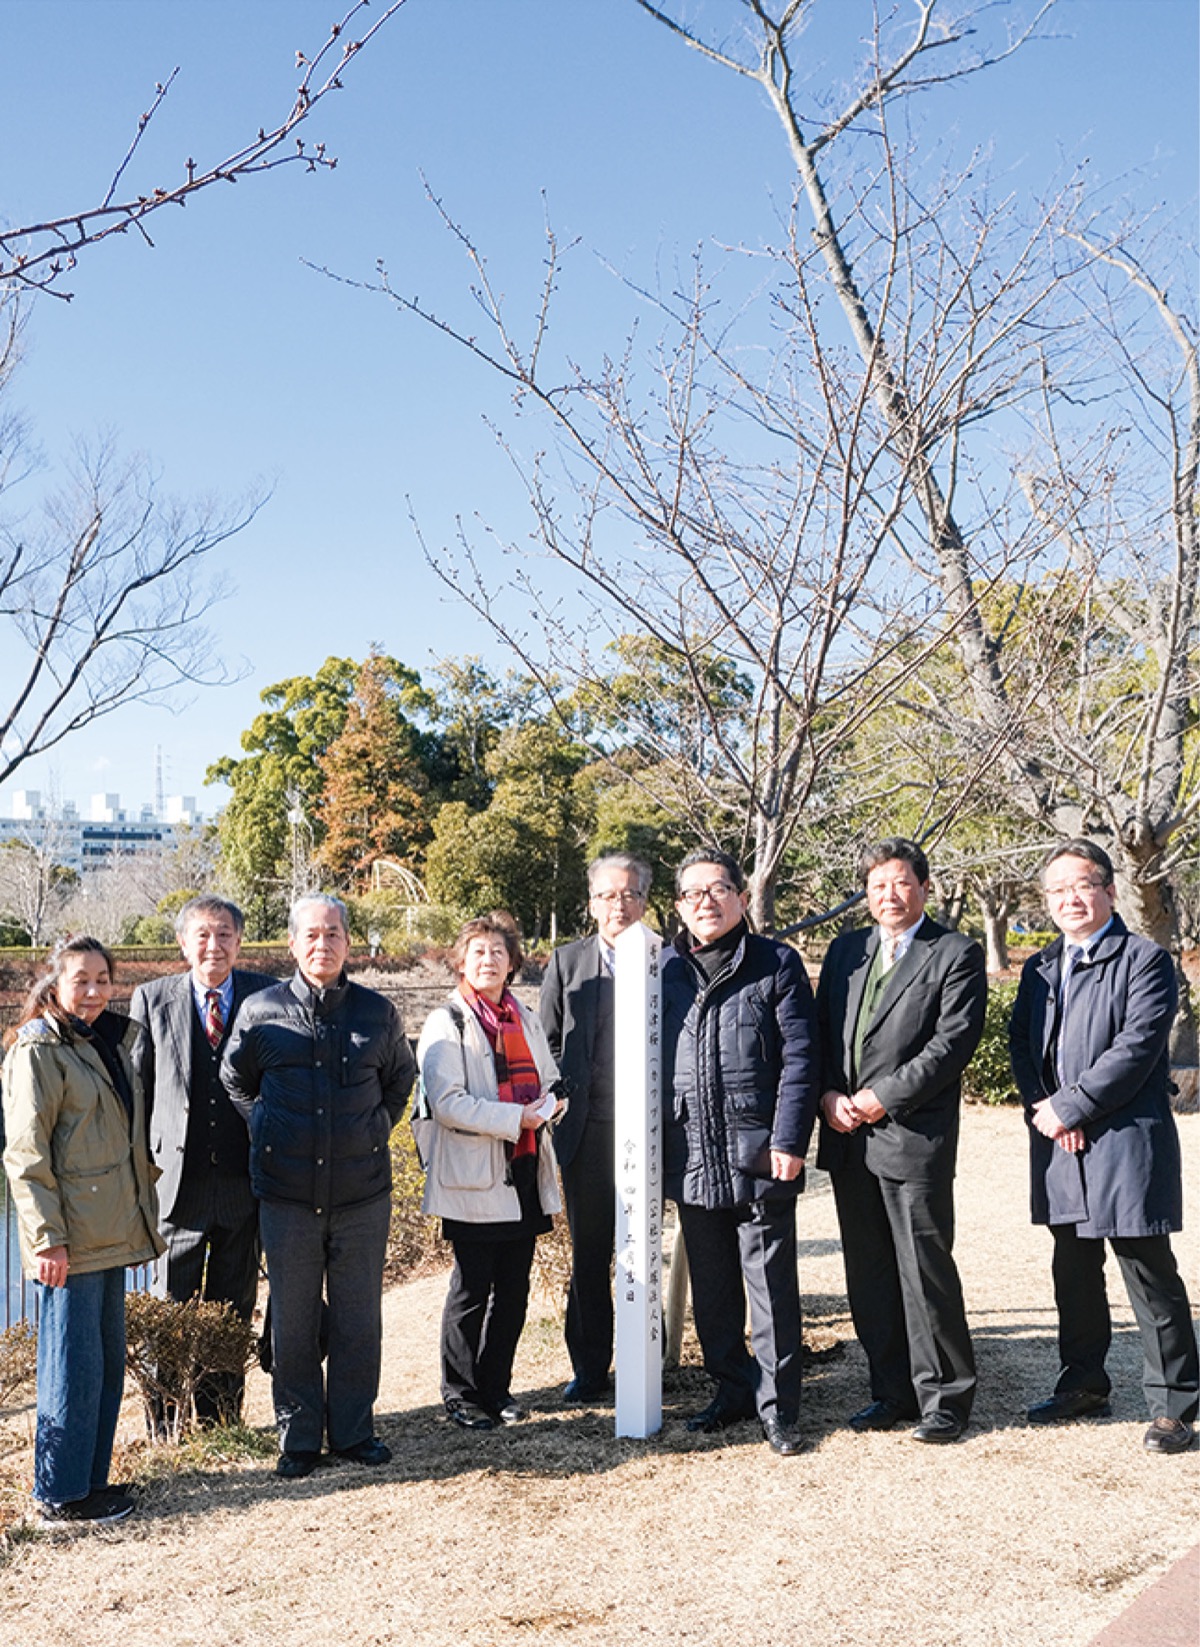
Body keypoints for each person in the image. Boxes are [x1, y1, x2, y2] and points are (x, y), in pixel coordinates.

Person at [1010, 839, 1198, 1454]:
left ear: (1109, 890)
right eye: (1057, 889)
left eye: (1082, 885)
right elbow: (1023, 1047)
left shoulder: (1145, 960)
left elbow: (1137, 1049)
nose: (1070, 898)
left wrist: (1072, 1105)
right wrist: (1049, 1110)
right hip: (1060, 1141)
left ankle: (1175, 1405)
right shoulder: (1040, 967)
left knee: (1147, 1269)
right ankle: (1083, 1383)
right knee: (1073, 1269)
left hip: (1123, 1138)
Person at [223, 894, 415, 1478]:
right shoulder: (261, 1010)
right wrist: (264, 1123)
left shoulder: (376, 1013)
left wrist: (375, 1125)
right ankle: (299, 1437)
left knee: (359, 1318)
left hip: (362, 1194)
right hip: (285, 1195)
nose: (321, 944)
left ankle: (355, 1431)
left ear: (348, 943)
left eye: (333, 934)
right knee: (295, 1321)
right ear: (292, 943)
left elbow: (399, 1080)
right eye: (310, 934)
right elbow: (235, 1078)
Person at [816, 837, 985, 1443]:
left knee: (924, 1269)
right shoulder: (845, 952)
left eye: (902, 882)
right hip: (848, 1138)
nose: (889, 894)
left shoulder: (955, 953)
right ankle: (891, 1391)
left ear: (924, 887)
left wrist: (882, 1096)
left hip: (912, 1135)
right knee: (868, 1272)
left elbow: (951, 1044)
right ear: (866, 893)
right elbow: (820, 1037)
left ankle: (945, 1399)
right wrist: (830, 1095)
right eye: (878, 884)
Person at [2, 937, 163, 1525]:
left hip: (110, 1231)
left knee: (102, 1362)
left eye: (103, 979)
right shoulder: (37, 1049)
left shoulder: (105, 1042)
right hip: (69, 1239)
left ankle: (89, 1484)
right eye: (81, 980)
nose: (94, 991)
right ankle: (59, 1495)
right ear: (55, 983)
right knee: (69, 1364)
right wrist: (47, 1238)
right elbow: (24, 1154)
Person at [662, 849, 817, 1456]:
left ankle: (779, 1409)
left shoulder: (776, 963)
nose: (706, 901)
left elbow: (801, 1058)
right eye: (693, 893)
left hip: (759, 1151)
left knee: (770, 1286)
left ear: (742, 899)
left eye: (719, 889)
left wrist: (789, 1139)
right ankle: (730, 1392)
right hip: (691, 1151)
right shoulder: (665, 973)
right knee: (714, 1286)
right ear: (679, 907)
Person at [129, 895, 275, 1424]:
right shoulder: (151, 997)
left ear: (239, 940)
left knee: (231, 1308)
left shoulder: (265, 993)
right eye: (203, 935)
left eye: (225, 935)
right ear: (184, 942)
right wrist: (139, 1176)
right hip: (176, 1183)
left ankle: (219, 1421)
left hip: (243, 1178)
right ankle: (166, 1423)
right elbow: (138, 1091)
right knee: (170, 1306)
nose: (214, 945)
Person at [418, 912, 565, 1431]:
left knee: (514, 1289)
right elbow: (448, 1103)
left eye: (498, 951)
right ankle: (460, 1393)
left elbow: (550, 1078)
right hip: (474, 1177)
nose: (489, 959)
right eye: (478, 951)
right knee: (471, 1288)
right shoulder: (448, 1021)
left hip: (521, 1170)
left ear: (513, 962)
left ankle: (496, 1387)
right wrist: (515, 1118)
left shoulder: (522, 1016)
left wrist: (551, 1105)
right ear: (461, 960)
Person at [540, 852, 652, 1402]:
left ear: (645, 902)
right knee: (590, 1252)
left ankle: (645, 1356)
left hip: (651, 1129)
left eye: (629, 894)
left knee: (645, 1246)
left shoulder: (665, 958)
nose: (619, 905)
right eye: (608, 896)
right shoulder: (567, 962)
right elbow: (548, 1044)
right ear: (591, 904)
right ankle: (589, 1368)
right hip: (587, 1130)